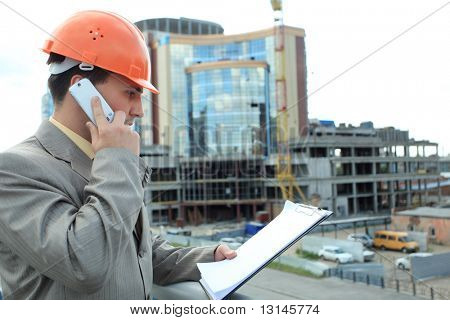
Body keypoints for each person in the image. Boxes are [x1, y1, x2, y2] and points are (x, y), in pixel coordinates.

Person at [0, 10, 236, 300]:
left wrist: (210, 256)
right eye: (130, 92)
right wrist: (116, 159)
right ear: (80, 89)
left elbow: (135, 250)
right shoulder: (13, 170)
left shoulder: (103, 160)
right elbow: (84, 263)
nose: (139, 110)